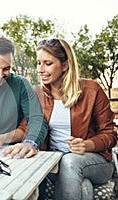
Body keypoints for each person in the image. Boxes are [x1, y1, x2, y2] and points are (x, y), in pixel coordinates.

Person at [34, 38, 117, 199]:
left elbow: (110, 135)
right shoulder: (37, 94)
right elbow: (26, 126)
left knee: (70, 161)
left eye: (48, 63)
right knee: (84, 188)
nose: (40, 69)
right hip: (55, 162)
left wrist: (86, 145)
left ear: (65, 66)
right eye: (38, 63)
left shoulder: (92, 89)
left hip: (96, 161)